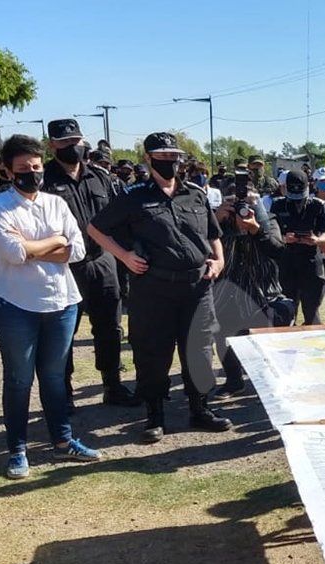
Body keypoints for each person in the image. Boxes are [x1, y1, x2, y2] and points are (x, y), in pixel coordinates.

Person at [88, 132, 233, 444]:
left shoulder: (195, 193)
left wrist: (219, 260)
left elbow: (213, 232)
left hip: (196, 286)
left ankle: (200, 409)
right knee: (153, 353)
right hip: (153, 289)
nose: (170, 161)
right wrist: (124, 256)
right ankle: (154, 415)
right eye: (163, 156)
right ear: (149, 158)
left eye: (173, 156)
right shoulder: (133, 195)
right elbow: (95, 228)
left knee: (199, 348)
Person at [0, 135, 102, 479]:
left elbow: (77, 250)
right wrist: (55, 242)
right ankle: (17, 450)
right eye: (22, 169)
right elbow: (13, 253)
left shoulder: (56, 203)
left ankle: (63, 441)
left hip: (60, 300)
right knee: (19, 378)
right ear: (6, 171)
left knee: (54, 376)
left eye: (35, 167)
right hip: (13, 303)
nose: (31, 174)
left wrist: (36, 247)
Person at [42, 118, 140, 408]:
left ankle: (112, 384)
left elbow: (122, 217)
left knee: (110, 327)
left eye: (76, 141)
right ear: (52, 146)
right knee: (63, 332)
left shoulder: (101, 178)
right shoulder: (44, 181)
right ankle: (64, 391)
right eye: (65, 143)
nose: (73, 147)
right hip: (63, 268)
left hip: (102, 261)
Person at [212, 180, 285, 398]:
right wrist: (215, 220)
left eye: (247, 202)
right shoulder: (218, 223)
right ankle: (234, 381)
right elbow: (202, 246)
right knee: (224, 335)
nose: (242, 208)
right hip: (227, 286)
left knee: (264, 338)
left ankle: (268, 380)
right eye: (234, 203)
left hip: (262, 287)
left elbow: (277, 249)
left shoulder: (268, 220)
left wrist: (256, 229)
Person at [272, 169, 325, 325]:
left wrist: (317, 240)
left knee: (312, 311)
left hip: (311, 260)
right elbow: (271, 233)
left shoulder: (317, 206)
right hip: (287, 261)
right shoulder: (278, 205)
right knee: (286, 310)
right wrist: (284, 238)